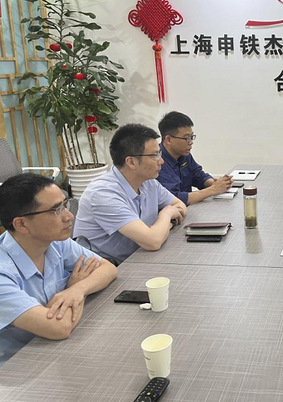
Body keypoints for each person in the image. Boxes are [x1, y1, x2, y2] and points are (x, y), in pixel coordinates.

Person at [0, 174, 117, 366]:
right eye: (56, 210)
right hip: (19, 368)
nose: (69, 216)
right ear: (21, 224)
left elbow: (108, 268)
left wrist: (77, 289)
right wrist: (75, 289)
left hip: (57, 350)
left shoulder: (54, 242)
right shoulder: (3, 272)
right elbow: (59, 327)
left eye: (65, 204)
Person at [74, 123, 187, 265]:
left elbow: (180, 206)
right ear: (131, 162)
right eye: (154, 155)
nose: (161, 161)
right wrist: (167, 214)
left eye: (159, 153)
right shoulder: (103, 194)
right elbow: (153, 242)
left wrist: (162, 227)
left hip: (140, 257)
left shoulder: (149, 182)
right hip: (106, 268)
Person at [157, 111, 232, 205]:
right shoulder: (157, 162)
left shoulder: (184, 155)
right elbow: (173, 198)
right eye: (186, 138)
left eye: (191, 137)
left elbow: (198, 176)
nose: (191, 142)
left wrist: (218, 183)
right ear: (168, 139)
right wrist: (213, 189)